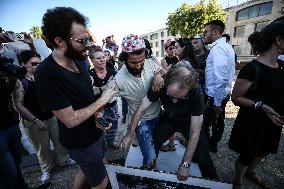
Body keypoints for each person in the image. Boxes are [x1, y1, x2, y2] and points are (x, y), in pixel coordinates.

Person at [35, 7, 117, 189]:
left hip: (95, 132)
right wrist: (104, 99)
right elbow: (70, 120)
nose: (88, 44)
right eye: (83, 40)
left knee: (85, 171)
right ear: (60, 41)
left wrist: (98, 114)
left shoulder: (79, 59)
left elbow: (85, 95)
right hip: (81, 143)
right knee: (100, 182)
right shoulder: (46, 73)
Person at [121, 61, 218, 180]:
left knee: (203, 156)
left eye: (181, 97)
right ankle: (148, 175)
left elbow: (195, 132)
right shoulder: (159, 83)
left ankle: (214, 182)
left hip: (189, 122)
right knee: (153, 144)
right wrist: (129, 134)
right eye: (170, 96)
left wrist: (185, 164)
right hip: (169, 118)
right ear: (166, 82)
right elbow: (141, 108)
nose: (174, 101)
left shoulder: (196, 92)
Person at [228, 20, 284, 189]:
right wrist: (262, 107)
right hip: (254, 122)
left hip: (274, 120)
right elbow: (236, 97)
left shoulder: (281, 65)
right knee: (247, 155)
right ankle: (238, 180)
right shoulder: (253, 68)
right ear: (279, 40)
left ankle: (251, 172)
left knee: (264, 151)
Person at [13, 50, 75, 183]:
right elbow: (18, 105)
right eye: (34, 63)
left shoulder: (43, 77)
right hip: (34, 121)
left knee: (60, 141)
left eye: (39, 63)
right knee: (42, 148)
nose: (38, 66)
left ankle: (64, 160)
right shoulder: (21, 81)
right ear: (24, 64)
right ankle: (46, 169)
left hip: (52, 116)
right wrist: (35, 120)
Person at [113, 34, 164, 169]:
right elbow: (106, 97)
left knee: (157, 147)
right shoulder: (118, 79)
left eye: (141, 60)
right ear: (124, 59)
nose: (139, 65)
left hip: (159, 115)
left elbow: (161, 70)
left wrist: (158, 74)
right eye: (133, 62)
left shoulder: (148, 62)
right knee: (150, 160)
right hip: (142, 123)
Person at [202, 20, 235, 153]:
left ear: (215, 32)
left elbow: (221, 79)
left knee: (203, 126)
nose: (203, 35)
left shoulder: (219, 49)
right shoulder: (226, 46)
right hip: (220, 95)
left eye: (205, 32)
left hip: (215, 97)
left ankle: (202, 151)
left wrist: (216, 103)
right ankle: (211, 146)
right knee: (216, 122)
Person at [89, 47, 119, 149]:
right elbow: (89, 92)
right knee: (99, 131)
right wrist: (105, 87)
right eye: (98, 58)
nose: (102, 59)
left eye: (103, 57)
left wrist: (98, 89)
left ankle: (110, 142)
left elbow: (117, 90)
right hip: (97, 109)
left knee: (113, 127)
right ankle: (102, 147)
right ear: (92, 60)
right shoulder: (89, 75)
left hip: (112, 107)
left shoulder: (113, 73)